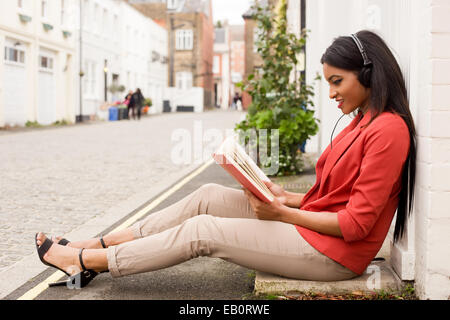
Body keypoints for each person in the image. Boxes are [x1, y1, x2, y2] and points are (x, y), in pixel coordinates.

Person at [35, 30, 416, 289]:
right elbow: (338, 196)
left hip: (333, 254)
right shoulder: (362, 121)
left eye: (337, 81)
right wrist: (285, 197)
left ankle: (85, 261)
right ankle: (101, 243)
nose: (331, 92)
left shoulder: (388, 130)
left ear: (368, 73)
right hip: (311, 228)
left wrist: (282, 214)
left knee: (204, 231)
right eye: (329, 82)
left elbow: (356, 223)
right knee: (209, 197)